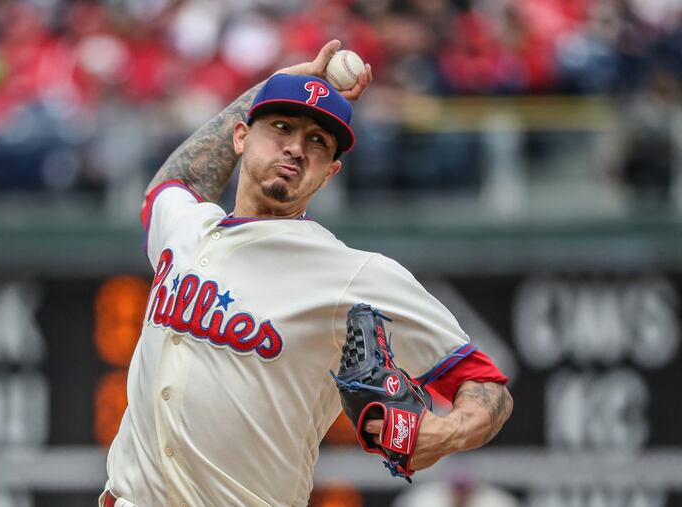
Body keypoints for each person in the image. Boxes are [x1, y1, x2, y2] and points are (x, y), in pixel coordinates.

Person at [99, 40, 513, 507]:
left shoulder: (352, 274)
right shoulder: (189, 228)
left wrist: (449, 431)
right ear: (241, 138)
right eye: (281, 127)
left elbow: (485, 384)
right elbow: (170, 186)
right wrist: (263, 88)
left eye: (318, 141)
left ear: (330, 171)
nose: (296, 147)